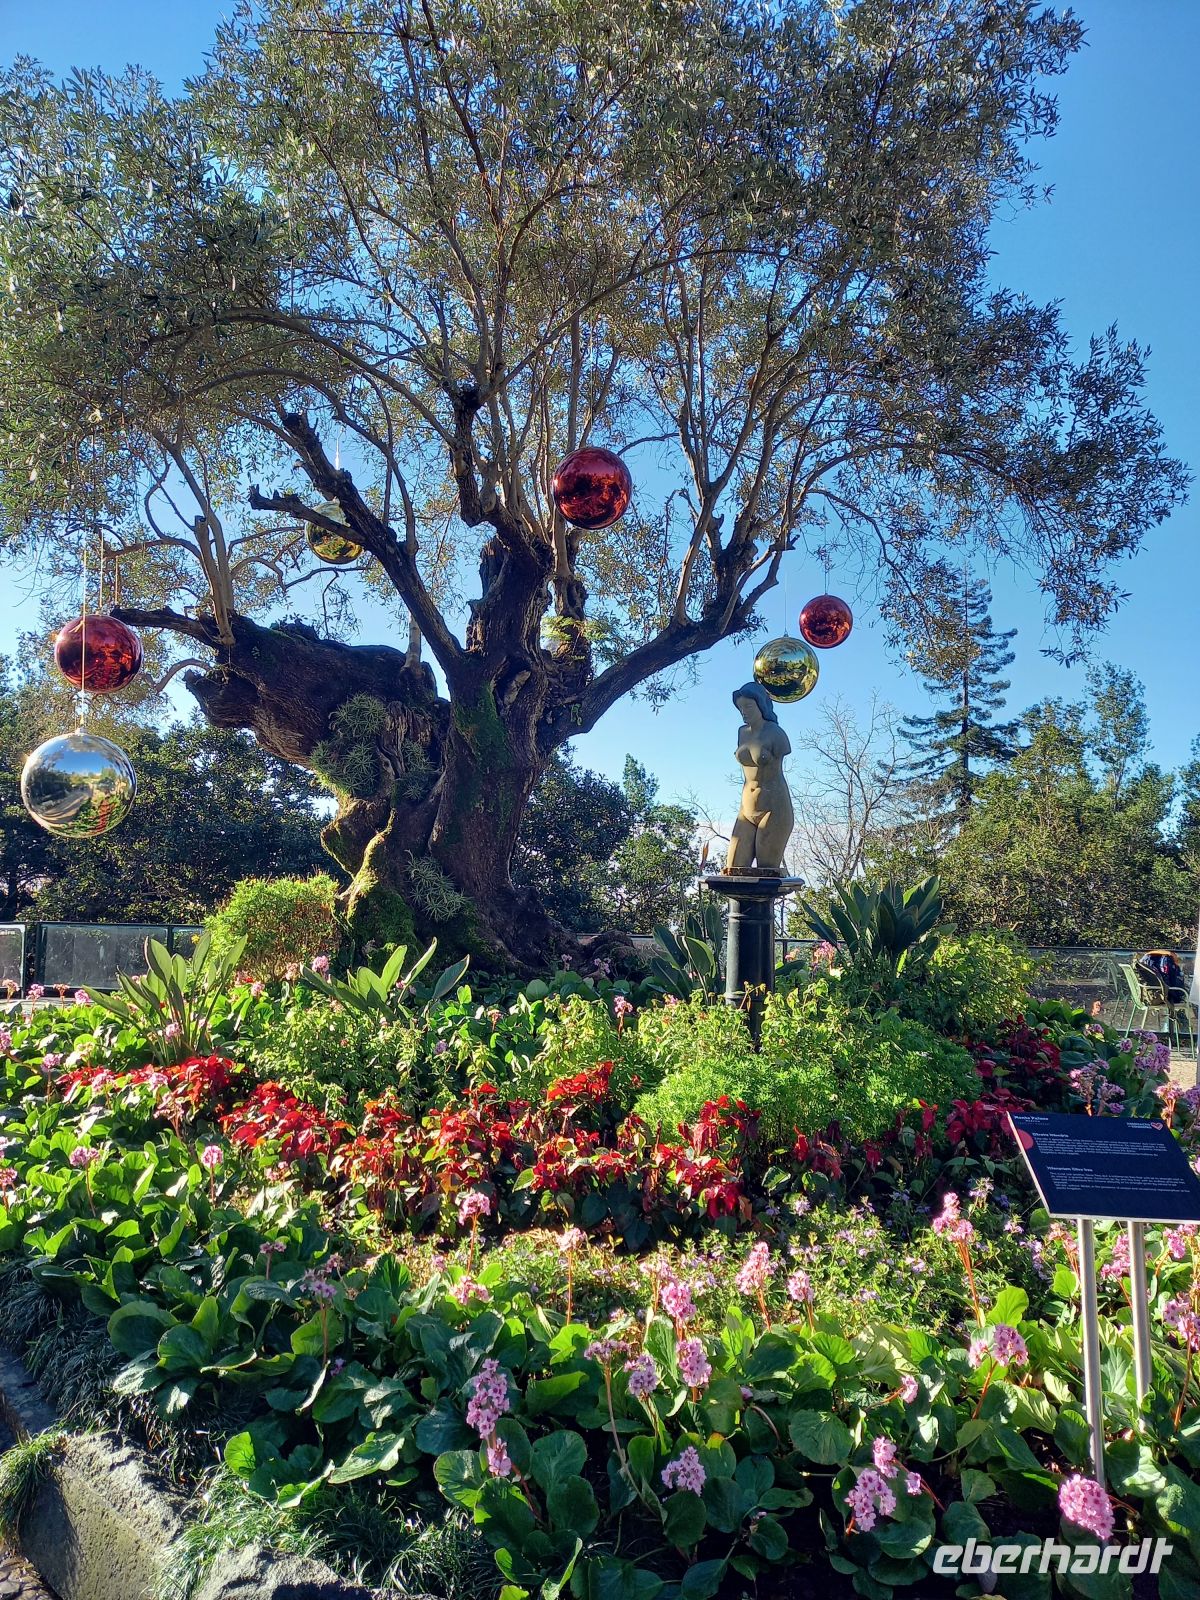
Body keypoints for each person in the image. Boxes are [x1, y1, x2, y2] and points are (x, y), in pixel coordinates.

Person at [725, 682, 794, 872]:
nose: (744, 712)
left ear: (761, 705)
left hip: (773, 807)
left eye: (748, 706)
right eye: (740, 708)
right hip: (746, 808)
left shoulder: (775, 733)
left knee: (767, 872)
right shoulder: (742, 733)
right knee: (733, 869)